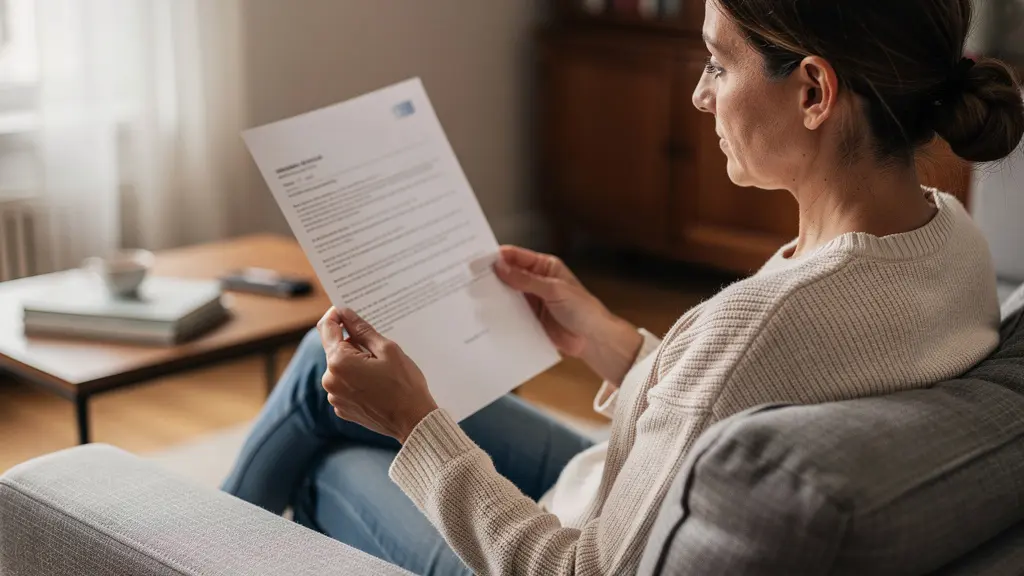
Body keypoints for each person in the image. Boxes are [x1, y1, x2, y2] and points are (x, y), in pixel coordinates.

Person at [222, 0, 1024, 574]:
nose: (700, 94)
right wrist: (605, 338)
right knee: (327, 373)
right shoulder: (950, 236)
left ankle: (176, 547)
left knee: (325, 451)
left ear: (813, 91)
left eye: (717, 64)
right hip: (614, 489)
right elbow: (738, 395)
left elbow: (579, 568)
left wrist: (413, 424)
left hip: (563, 542)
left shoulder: (761, 323)